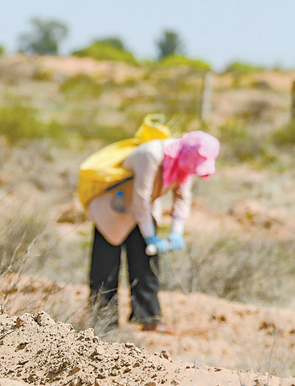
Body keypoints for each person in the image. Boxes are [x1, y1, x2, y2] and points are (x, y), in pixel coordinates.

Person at [87, 130, 220, 334]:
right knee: (106, 267)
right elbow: (141, 197)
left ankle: (149, 317)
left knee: (147, 263)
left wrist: (177, 231)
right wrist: (151, 236)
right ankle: (103, 321)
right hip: (114, 209)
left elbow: (182, 197)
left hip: (143, 214)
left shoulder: (184, 163)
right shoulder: (151, 155)